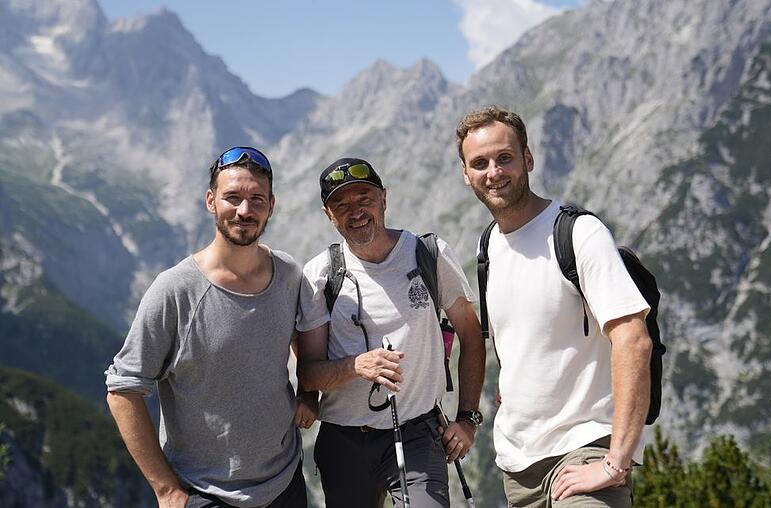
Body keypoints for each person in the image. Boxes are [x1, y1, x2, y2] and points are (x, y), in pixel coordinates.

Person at [456, 106, 653, 507]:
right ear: (466, 174)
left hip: (586, 449)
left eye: (504, 158)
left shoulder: (579, 233)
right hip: (519, 466)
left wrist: (616, 461)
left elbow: (634, 341)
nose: (493, 172)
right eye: (480, 163)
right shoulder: (488, 245)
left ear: (528, 158)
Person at [105, 146, 317, 508]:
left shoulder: (288, 274)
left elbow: (298, 334)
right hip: (206, 494)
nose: (245, 211)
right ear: (210, 200)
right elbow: (122, 390)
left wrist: (309, 394)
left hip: (285, 482)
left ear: (272, 204)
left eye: (256, 199)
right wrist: (166, 489)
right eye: (232, 198)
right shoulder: (175, 290)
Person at [296, 157, 485, 508]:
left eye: (364, 198)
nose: (356, 211)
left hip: (418, 433)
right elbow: (308, 374)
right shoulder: (320, 274)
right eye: (342, 204)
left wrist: (468, 418)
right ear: (329, 214)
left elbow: (472, 337)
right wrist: (356, 366)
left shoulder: (428, 255)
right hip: (343, 439)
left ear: (384, 198)